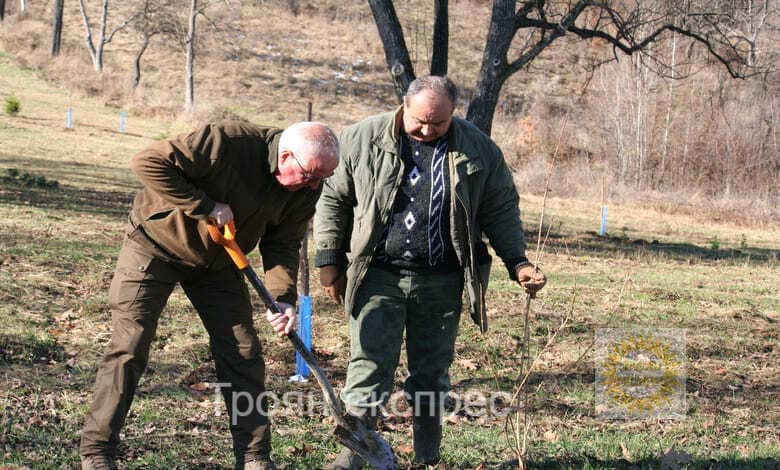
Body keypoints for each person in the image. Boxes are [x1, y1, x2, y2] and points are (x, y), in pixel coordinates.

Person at [313, 75, 546, 468]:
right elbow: (333, 199)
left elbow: (501, 208)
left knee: (431, 373)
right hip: (377, 273)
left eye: (437, 123)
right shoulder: (361, 139)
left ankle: (427, 458)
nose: (426, 129)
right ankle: (353, 457)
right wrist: (329, 260)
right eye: (419, 120)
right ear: (404, 105)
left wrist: (518, 262)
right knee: (368, 364)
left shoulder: (478, 149)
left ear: (452, 113)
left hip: (441, 279)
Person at [79, 120, 339, 470]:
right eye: (309, 175)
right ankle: (97, 452)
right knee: (131, 343)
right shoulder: (225, 142)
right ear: (286, 154)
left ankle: (254, 457)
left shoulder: (307, 185)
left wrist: (283, 297)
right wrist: (204, 205)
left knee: (243, 351)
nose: (313, 185)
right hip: (155, 246)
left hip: (220, 265)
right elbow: (148, 162)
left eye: (322, 179)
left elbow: (284, 243)